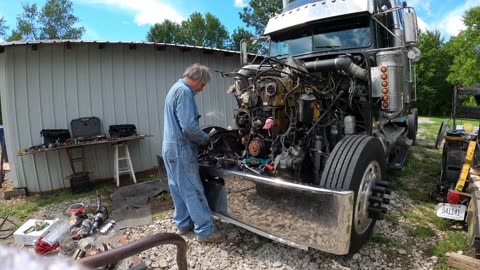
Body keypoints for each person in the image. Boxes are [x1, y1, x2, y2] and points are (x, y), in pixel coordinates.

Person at [162, 63, 227, 243]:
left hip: (169, 147)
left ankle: (183, 224)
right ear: (197, 79)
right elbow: (189, 127)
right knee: (193, 189)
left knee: (177, 188)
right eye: (203, 85)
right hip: (181, 149)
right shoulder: (184, 92)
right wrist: (205, 139)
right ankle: (205, 231)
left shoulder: (174, 89)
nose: (202, 88)